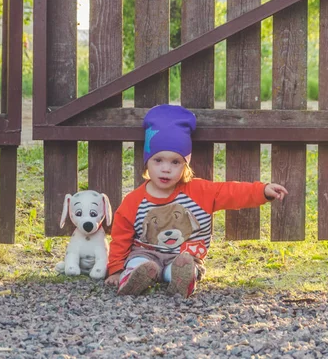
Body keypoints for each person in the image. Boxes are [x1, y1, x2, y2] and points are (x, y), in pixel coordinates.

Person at [104, 104, 288, 297]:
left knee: (185, 266)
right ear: (147, 161)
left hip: (183, 256)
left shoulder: (200, 191)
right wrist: (115, 269)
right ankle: (133, 278)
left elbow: (232, 192)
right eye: (158, 160)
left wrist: (262, 191)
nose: (166, 169)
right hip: (146, 254)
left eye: (175, 162)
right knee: (139, 263)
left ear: (185, 165)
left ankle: (180, 280)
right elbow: (121, 236)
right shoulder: (134, 200)